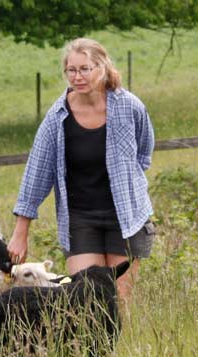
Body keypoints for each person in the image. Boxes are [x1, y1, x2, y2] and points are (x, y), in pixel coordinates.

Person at [10, 38, 156, 299]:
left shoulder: (130, 107)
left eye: (85, 69)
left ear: (102, 67)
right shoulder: (57, 117)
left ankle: (120, 342)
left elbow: (143, 155)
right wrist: (21, 232)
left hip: (125, 218)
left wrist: (128, 185)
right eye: (71, 70)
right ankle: (88, 342)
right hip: (80, 219)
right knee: (85, 296)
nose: (77, 76)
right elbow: (36, 173)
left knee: (118, 297)